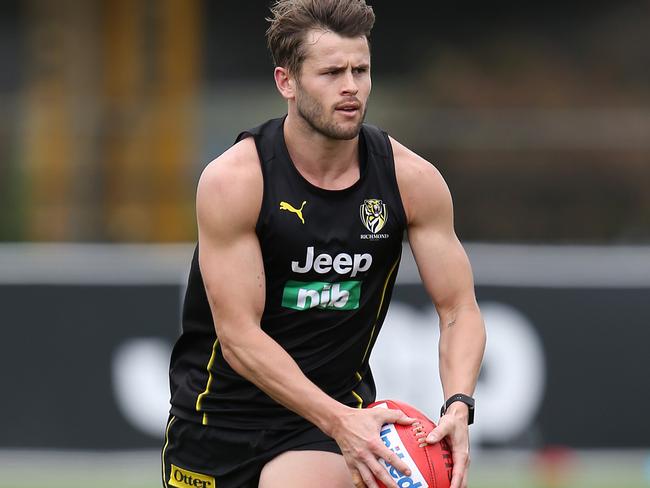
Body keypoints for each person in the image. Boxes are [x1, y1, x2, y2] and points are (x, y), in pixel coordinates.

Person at [162, 1, 486, 487]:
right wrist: (340, 421)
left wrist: (459, 404)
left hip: (327, 426)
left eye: (361, 70)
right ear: (286, 82)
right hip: (217, 423)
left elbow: (459, 309)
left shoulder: (411, 180)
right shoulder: (236, 180)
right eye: (332, 71)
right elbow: (239, 339)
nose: (351, 86)